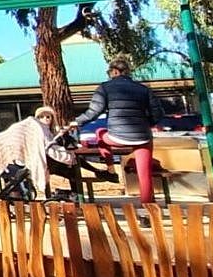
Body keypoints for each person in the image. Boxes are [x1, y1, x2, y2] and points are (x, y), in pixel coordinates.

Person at [70, 56, 164, 204]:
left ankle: (110, 169)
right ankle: (148, 208)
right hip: (142, 137)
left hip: (116, 137)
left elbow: (93, 112)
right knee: (145, 174)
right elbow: (158, 114)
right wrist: (146, 124)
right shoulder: (144, 89)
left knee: (100, 133)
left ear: (114, 71)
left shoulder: (105, 88)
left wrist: (77, 122)